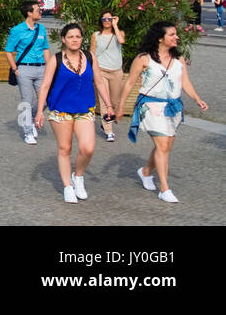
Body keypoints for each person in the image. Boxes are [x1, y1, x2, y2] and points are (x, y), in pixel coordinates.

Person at [119, 21, 209, 203]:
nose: (176, 37)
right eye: (172, 34)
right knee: (162, 146)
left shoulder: (179, 60)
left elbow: (185, 82)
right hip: (151, 107)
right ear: (160, 38)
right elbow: (129, 83)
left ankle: (145, 172)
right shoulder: (143, 58)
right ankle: (164, 188)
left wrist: (197, 99)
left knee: (166, 146)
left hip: (173, 107)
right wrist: (120, 107)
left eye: (176, 34)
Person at [35, 23, 99, 203]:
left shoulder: (89, 57)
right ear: (64, 39)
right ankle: (67, 186)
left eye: (78, 37)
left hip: (84, 109)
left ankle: (78, 176)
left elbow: (99, 82)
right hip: (60, 110)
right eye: (71, 37)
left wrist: (109, 105)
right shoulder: (55, 59)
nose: (75, 40)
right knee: (65, 148)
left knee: (88, 147)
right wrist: (40, 111)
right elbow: (45, 85)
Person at [4, 0, 48, 144]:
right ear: (29, 13)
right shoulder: (17, 30)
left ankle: (33, 117)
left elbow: (46, 49)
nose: (40, 11)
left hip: (41, 68)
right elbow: (9, 51)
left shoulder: (41, 29)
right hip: (24, 68)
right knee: (27, 101)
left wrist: (49, 67)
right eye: (37, 10)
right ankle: (28, 132)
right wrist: (15, 69)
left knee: (48, 99)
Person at [90, 11, 126, 143]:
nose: (106, 20)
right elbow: (92, 52)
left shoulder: (119, 33)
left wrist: (115, 25)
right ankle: (109, 131)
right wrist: (91, 69)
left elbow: (122, 41)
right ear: (100, 20)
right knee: (105, 102)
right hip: (101, 71)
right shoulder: (95, 35)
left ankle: (106, 122)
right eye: (104, 18)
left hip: (116, 71)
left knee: (114, 101)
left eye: (109, 18)